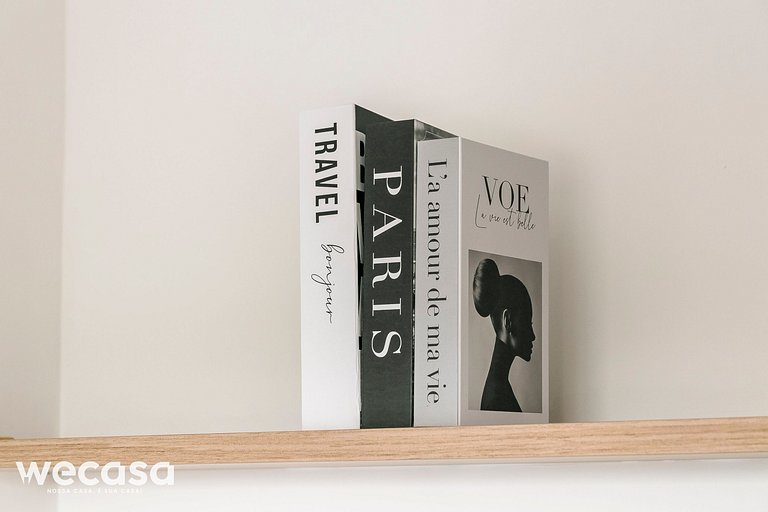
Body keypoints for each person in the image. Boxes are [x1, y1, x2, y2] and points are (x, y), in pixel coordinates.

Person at [472, 258, 535, 412]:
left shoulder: (498, 388)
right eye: (527, 323)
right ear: (507, 321)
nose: (533, 336)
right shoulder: (497, 397)